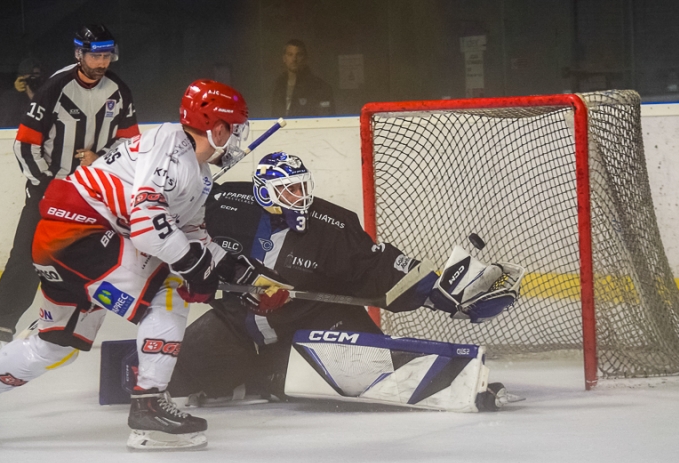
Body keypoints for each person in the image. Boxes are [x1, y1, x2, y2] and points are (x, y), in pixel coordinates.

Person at [0, 79, 291, 451]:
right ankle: (148, 408)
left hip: (62, 242)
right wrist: (195, 270)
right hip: (81, 234)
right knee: (168, 293)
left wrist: (245, 274)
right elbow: (148, 231)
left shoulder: (197, 173)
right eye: (236, 128)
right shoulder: (169, 145)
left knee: (55, 344)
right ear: (218, 127)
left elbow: (192, 235)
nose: (238, 138)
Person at [165, 152, 520, 405]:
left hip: (311, 322)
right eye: (289, 191)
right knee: (175, 377)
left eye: (302, 187)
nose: (300, 198)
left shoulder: (332, 225)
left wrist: (436, 292)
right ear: (263, 193)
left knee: (370, 367)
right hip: (234, 326)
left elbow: (375, 265)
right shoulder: (223, 203)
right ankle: (259, 377)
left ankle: (268, 377)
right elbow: (169, 225)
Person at [0, 25, 139, 347]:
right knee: (27, 257)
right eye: (95, 55)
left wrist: (101, 159)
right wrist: (47, 188)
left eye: (106, 55)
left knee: (87, 261)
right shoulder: (55, 87)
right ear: (78, 54)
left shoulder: (119, 91)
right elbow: (26, 145)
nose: (101, 62)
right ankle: (1, 323)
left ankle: (67, 321)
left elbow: (130, 145)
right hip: (49, 193)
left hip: (93, 197)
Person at [271, 39, 334, 117]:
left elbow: (326, 119)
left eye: (299, 55)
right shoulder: (277, 85)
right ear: (284, 58)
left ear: (305, 58)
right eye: (290, 54)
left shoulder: (319, 87)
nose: (294, 59)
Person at [0, 58, 45, 128]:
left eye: (36, 74)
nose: (33, 78)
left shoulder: (46, 96)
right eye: (29, 74)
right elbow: (3, 123)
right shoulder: (10, 98)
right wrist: (15, 93)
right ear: (21, 77)